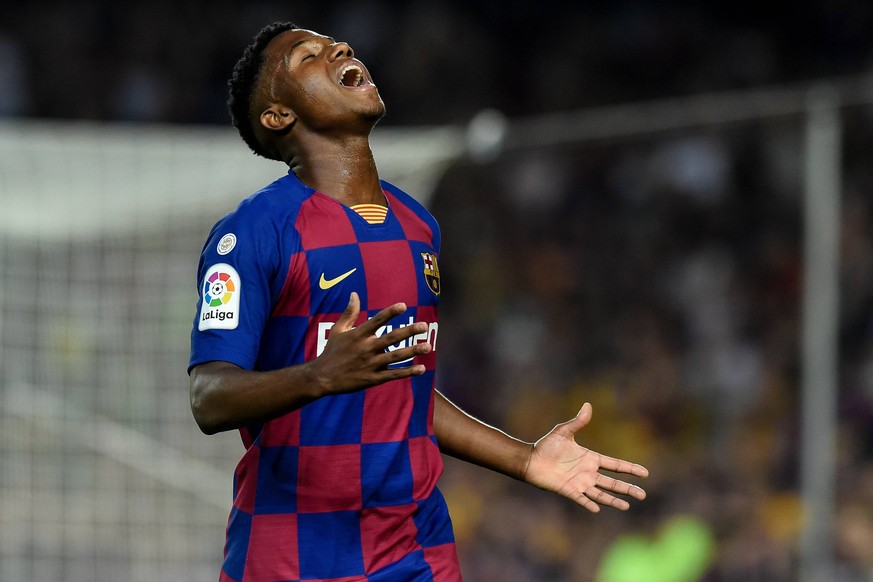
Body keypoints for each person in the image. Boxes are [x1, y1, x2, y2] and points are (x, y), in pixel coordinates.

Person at [188, 21, 649, 582]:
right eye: (307, 56)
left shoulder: (416, 226)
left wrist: (523, 458)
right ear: (279, 115)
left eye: (339, 44)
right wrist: (318, 375)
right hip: (294, 548)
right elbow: (208, 396)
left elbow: (407, 390)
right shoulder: (254, 232)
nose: (339, 49)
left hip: (414, 546)